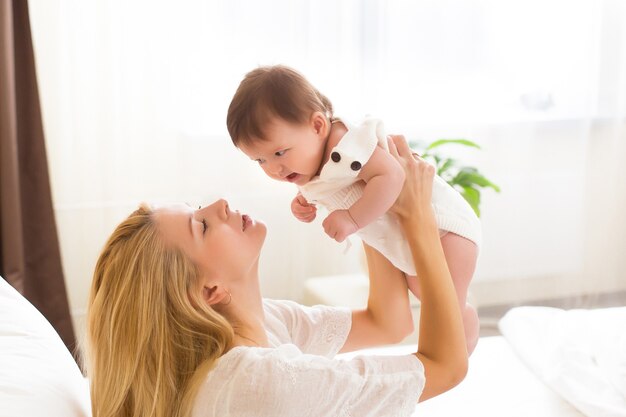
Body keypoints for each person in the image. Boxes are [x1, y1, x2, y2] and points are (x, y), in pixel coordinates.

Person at [85, 135, 468, 417]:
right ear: (209, 290)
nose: (219, 205)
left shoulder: (259, 323)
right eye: (201, 226)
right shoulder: (265, 383)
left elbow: (388, 323)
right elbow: (446, 367)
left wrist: (363, 200)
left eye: (199, 207)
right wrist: (418, 219)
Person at [226, 64, 482, 354]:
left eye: (279, 153)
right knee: (423, 290)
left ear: (318, 125)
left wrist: (351, 217)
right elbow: (330, 188)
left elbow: (392, 176)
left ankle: (463, 326)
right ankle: (457, 329)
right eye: (260, 161)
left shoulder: (347, 144)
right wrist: (304, 203)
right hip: (413, 236)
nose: (273, 168)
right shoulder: (310, 162)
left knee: (444, 305)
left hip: (447, 229)